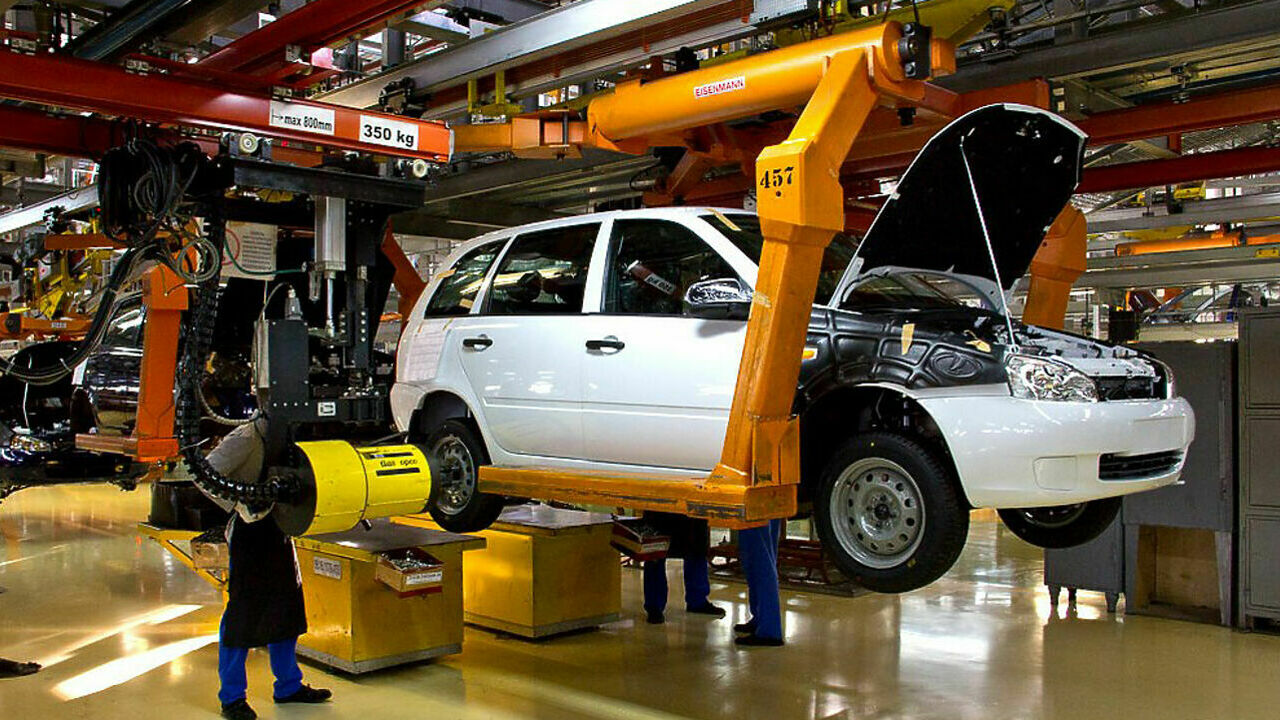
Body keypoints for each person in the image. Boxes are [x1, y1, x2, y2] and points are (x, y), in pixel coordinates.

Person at [201, 419, 331, 720]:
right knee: (242, 614)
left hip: (280, 529)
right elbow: (204, 473)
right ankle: (232, 698)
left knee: (287, 607)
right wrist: (237, 503)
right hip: (249, 533)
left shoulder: (291, 434)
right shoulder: (247, 437)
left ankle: (288, 686)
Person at [641, 512, 725, 624]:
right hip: (660, 507)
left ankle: (697, 601)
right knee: (655, 553)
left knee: (697, 551)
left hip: (692, 509)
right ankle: (654, 607)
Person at [733, 518, 784, 647]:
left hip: (756, 503)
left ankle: (769, 629)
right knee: (762, 553)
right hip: (768, 502)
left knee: (759, 557)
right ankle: (761, 619)